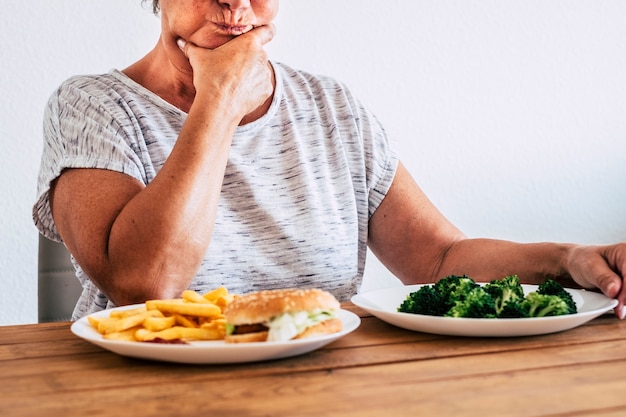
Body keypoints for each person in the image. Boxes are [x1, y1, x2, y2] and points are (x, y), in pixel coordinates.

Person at [33, 0, 626, 320]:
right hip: (149, 389)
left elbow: (438, 257)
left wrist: (568, 257)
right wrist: (217, 100)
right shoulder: (92, 105)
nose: (235, 4)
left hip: (321, 380)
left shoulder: (331, 105)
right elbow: (146, 284)